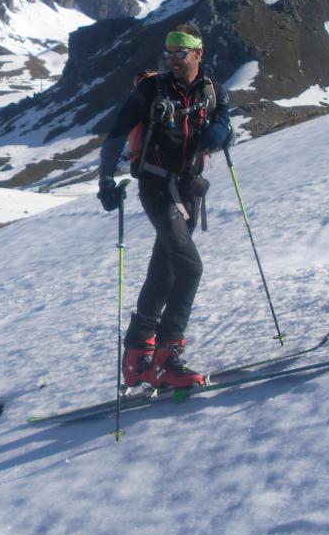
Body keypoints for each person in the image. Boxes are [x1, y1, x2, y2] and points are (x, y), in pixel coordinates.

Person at [96, 23, 232, 389]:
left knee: (165, 271)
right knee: (190, 268)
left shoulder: (213, 91)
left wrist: (222, 133)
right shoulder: (150, 90)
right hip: (156, 188)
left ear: (198, 53)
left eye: (179, 53)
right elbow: (116, 135)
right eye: (168, 53)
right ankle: (167, 357)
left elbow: (226, 125)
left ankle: (137, 355)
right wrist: (105, 180)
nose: (171, 60)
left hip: (189, 191)